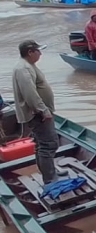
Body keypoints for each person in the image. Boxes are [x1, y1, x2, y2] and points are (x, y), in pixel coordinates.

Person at [12, 41, 66, 184]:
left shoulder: (28, 66)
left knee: (41, 144)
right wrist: (43, 110)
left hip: (39, 112)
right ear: (30, 52)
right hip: (37, 114)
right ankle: (50, 179)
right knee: (49, 144)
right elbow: (30, 93)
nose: (40, 54)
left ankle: (48, 173)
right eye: (38, 51)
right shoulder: (23, 69)